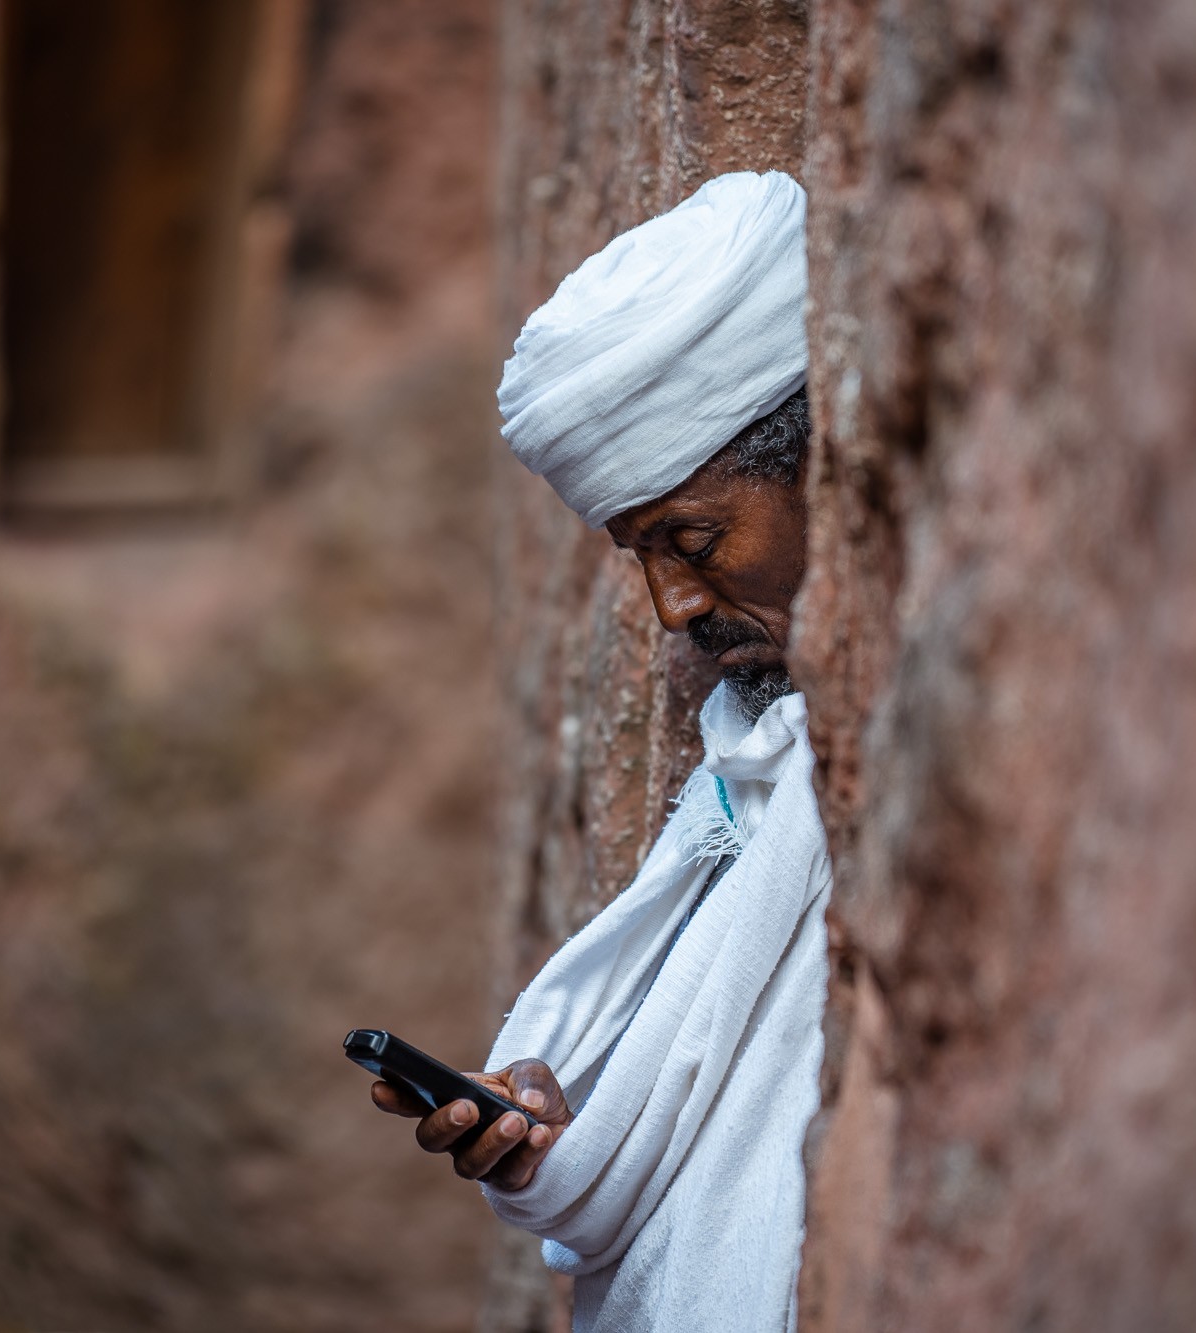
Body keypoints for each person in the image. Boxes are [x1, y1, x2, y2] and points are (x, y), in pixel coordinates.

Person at [369, 170, 831, 1332]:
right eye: (642, 555)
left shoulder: (811, 779)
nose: (674, 605)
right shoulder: (748, 773)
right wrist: (557, 1127)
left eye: (693, 538)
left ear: (828, 467)